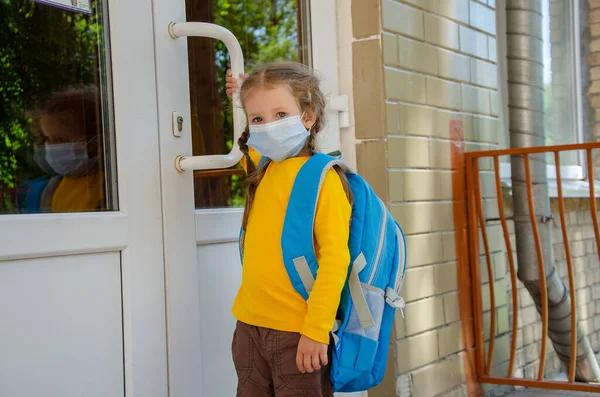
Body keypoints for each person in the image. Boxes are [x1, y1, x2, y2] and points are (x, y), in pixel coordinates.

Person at [225, 62, 353, 397]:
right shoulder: (264, 166)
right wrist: (236, 97)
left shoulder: (324, 179)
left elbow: (335, 260)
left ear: (308, 117)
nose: (269, 126)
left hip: (298, 333)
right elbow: (249, 144)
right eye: (258, 120)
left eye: (281, 114)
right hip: (249, 327)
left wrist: (316, 329)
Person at [18, 90, 105, 213]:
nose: (51, 146)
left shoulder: (110, 188)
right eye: (47, 139)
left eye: (60, 139)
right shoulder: (48, 189)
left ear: (96, 144)